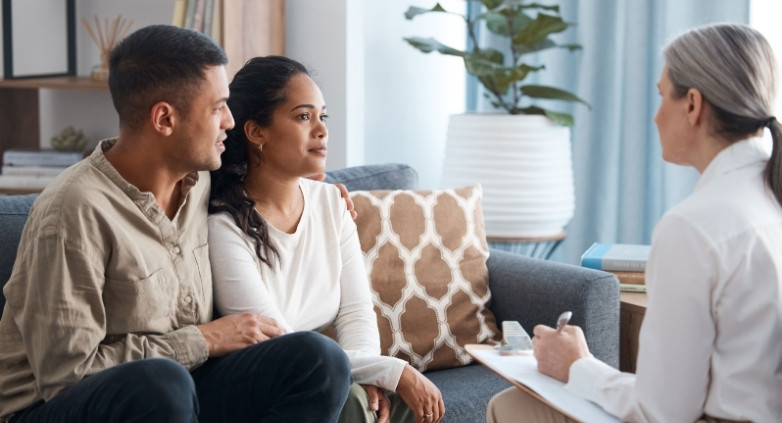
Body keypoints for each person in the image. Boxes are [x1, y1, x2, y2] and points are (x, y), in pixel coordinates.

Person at [0, 25, 352, 423]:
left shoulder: (200, 178)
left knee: (317, 358)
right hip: (56, 407)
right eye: (218, 107)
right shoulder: (72, 212)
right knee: (162, 384)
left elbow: (263, 170)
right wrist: (200, 340)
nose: (231, 122)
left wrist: (322, 192)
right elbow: (67, 376)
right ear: (164, 118)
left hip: (184, 387)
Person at [487, 23, 782, 423]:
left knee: (511, 407)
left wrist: (577, 366)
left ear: (693, 105)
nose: (656, 116)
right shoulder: (766, 199)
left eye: (662, 96)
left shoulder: (694, 228)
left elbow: (663, 413)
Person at [207, 56, 445, 423]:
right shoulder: (224, 224)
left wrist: (373, 378)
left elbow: (355, 311)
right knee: (350, 400)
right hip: (270, 382)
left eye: (323, 116)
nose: (321, 130)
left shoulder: (332, 203)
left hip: (330, 370)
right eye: (303, 117)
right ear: (256, 132)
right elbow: (281, 344)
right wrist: (390, 369)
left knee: (391, 403)